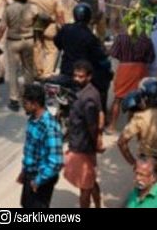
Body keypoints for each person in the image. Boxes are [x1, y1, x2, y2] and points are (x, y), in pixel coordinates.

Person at [55, 3, 112, 114]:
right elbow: (100, 56)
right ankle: (101, 113)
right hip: (83, 72)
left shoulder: (66, 29)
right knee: (104, 80)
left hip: (65, 69)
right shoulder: (89, 36)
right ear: (88, 18)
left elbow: (57, 43)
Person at [0, 0, 39, 111]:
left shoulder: (9, 9)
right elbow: (37, 20)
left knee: (13, 71)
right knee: (28, 69)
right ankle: (29, 96)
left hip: (13, 41)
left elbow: (2, 28)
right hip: (28, 40)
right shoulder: (32, 7)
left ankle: (14, 99)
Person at [63, 60, 103, 208]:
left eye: (81, 77)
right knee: (90, 182)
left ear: (89, 77)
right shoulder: (92, 91)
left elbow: (92, 125)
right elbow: (101, 113)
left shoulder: (88, 98)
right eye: (75, 76)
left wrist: (96, 142)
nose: (77, 79)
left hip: (83, 147)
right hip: (82, 145)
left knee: (84, 188)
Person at [19, 84, 63, 208]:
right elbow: (31, 150)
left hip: (41, 177)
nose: (23, 106)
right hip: (30, 174)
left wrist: (38, 180)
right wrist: (24, 171)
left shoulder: (49, 126)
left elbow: (56, 161)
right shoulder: (33, 120)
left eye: (26, 103)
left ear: (35, 104)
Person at [107, 29, 155, 133]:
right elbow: (151, 58)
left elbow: (113, 53)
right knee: (137, 98)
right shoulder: (146, 37)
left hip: (124, 68)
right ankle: (130, 126)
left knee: (118, 98)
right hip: (140, 70)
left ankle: (112, 126)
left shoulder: (121, 36)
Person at [28, 0, 64, 80]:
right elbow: (60, 14)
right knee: (51, 49)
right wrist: (62, 27)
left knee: (36, 47)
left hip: (34, 25)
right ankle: (47, 73)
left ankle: (38, 72)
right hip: (50, 27)